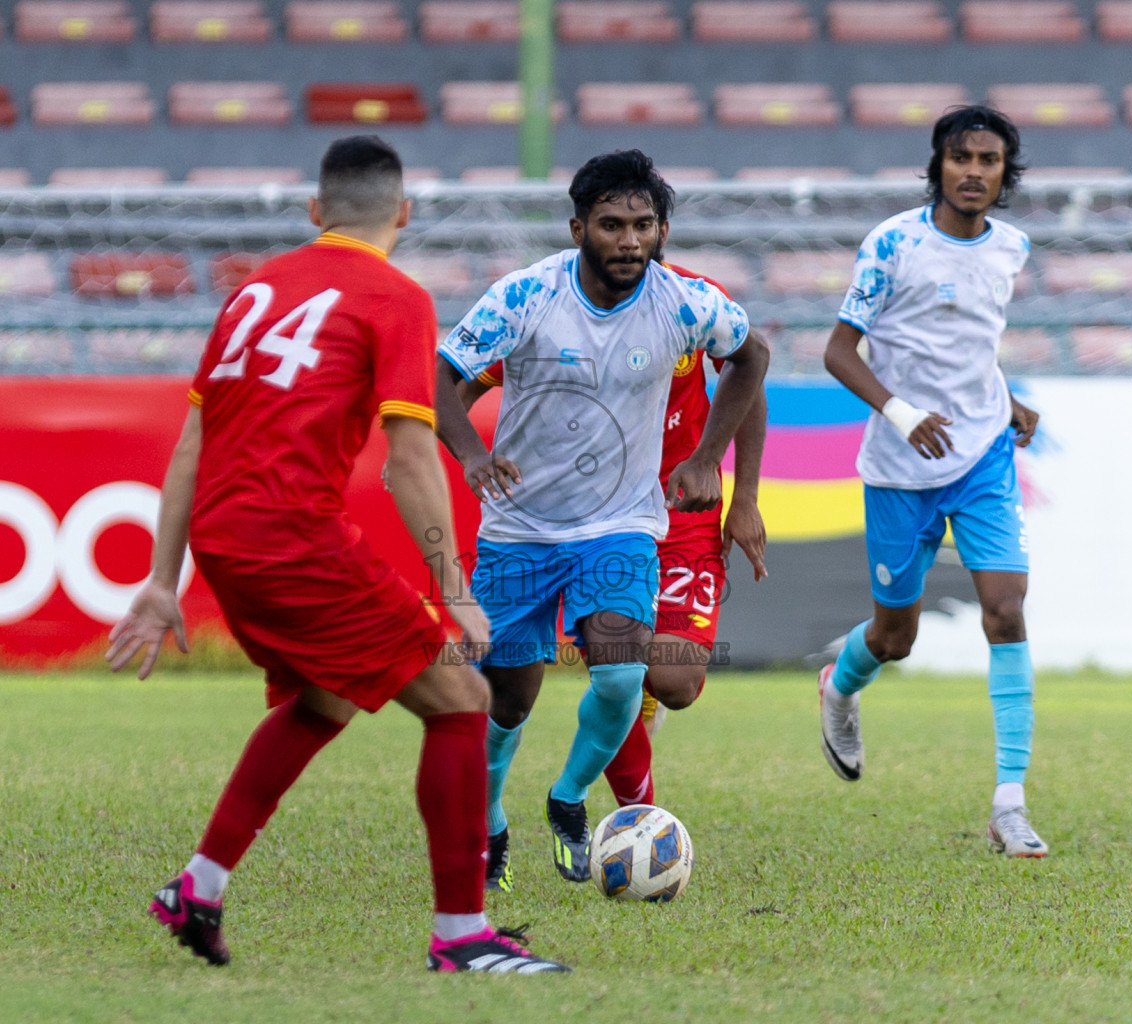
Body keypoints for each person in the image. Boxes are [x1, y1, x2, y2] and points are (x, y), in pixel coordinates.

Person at [106, 135, 570, 973]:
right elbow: (409, 455)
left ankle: (197, 888)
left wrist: (159, 579)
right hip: (293, 536)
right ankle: (463, 936)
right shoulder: (396, 297)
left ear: (315, 212)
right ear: (405, 214)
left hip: (221, 538)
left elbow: (191, 441)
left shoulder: (255, 288)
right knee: (462, 698)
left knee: (324, 699)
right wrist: (453, 587)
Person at [434, 149, 770, 888]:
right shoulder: (523, 297)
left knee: (621, 676)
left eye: (642, 225)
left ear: (662, 231)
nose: (628, 240)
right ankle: (487, 820)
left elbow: (752, 357)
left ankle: (568, 799)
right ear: (579, 226)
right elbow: (439, 378)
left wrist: (709, 459)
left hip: (622, 525)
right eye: (612, 225)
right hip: (521, 529)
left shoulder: (684, 301)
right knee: (508, 697)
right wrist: (468, 455)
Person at [816, 106, 1048, 857]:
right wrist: (903, 413)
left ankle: (1009, 803)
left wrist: (1006, 398)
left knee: (1005, 610)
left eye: (989, 160)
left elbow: (974, 344)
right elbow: (839, 352)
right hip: (899, 466)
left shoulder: (1010, 248)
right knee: (896, 636)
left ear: (1006, 173)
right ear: (938, 165)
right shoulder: (893, 243)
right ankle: (841, 688)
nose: (975, 171)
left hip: (980, 454)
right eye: (962, 157)